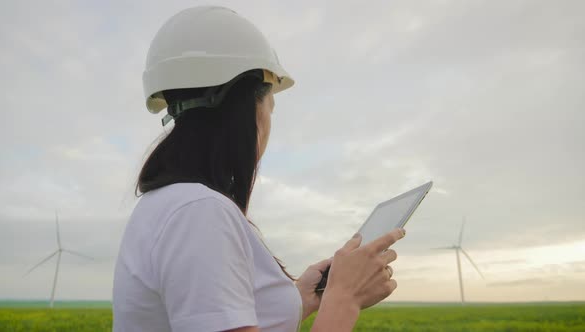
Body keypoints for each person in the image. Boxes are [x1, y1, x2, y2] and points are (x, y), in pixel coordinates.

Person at [112, 6, 405, 332]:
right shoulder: (199, 213)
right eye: (270, 105)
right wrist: (343, 297)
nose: (269, 121)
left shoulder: (169, 205)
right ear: (247, 104)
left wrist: (300, 299)